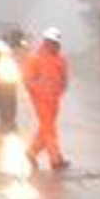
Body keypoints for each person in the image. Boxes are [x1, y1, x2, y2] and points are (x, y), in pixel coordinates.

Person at [22, 28, 71, 171]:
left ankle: (31, 152)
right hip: (40, 100)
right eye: (51, 42)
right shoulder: (35, 59)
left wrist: (59, 91)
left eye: (56, 43)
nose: (54, 45)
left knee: (46, 129)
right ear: (45, 42)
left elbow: (64, 79)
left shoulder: (61, 60)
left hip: (54, 100)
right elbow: (28, 80)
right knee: (50, 129)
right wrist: (39, 92)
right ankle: (55, 160)